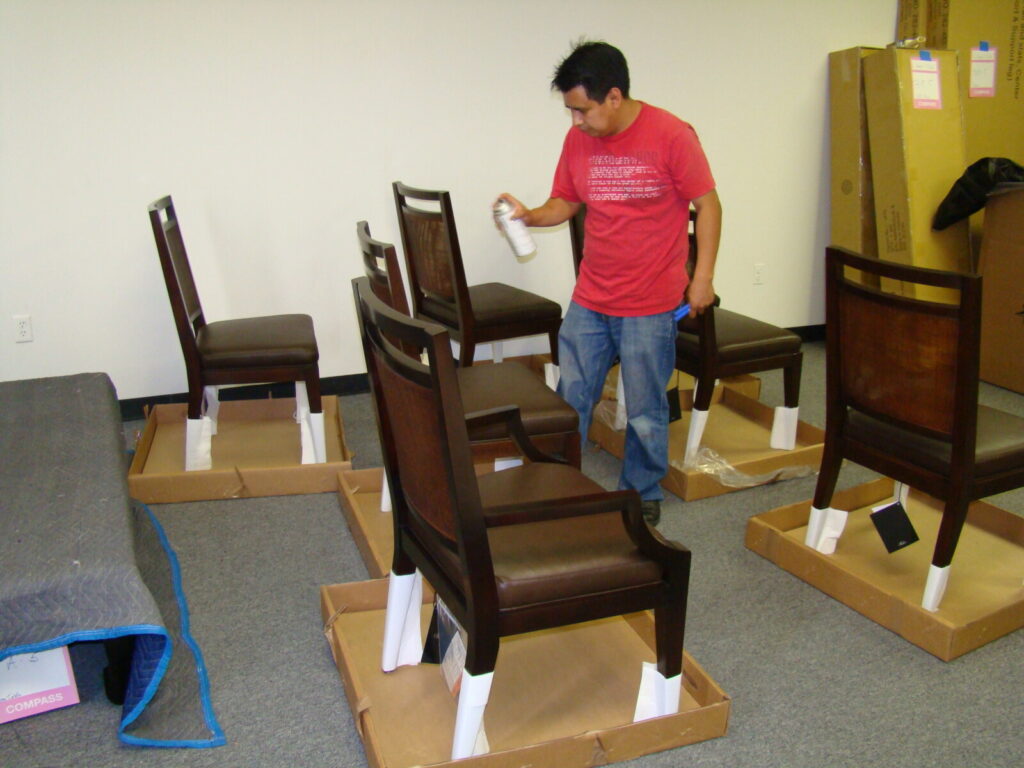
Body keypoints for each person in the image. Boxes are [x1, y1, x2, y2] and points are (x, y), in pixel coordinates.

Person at [498, 40, 722, 526]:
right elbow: (565, 201)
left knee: (643, 407)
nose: (576, 122)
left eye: (583, 110)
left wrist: (701, 277)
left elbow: (708, 205)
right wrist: (530, 215)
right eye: (570, 112)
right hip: (592, 295)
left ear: (614, 97)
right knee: (572, 395)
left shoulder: (671, 135)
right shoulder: (579, 139)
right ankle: (559, 481)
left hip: (650, 299)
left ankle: (641, 490)